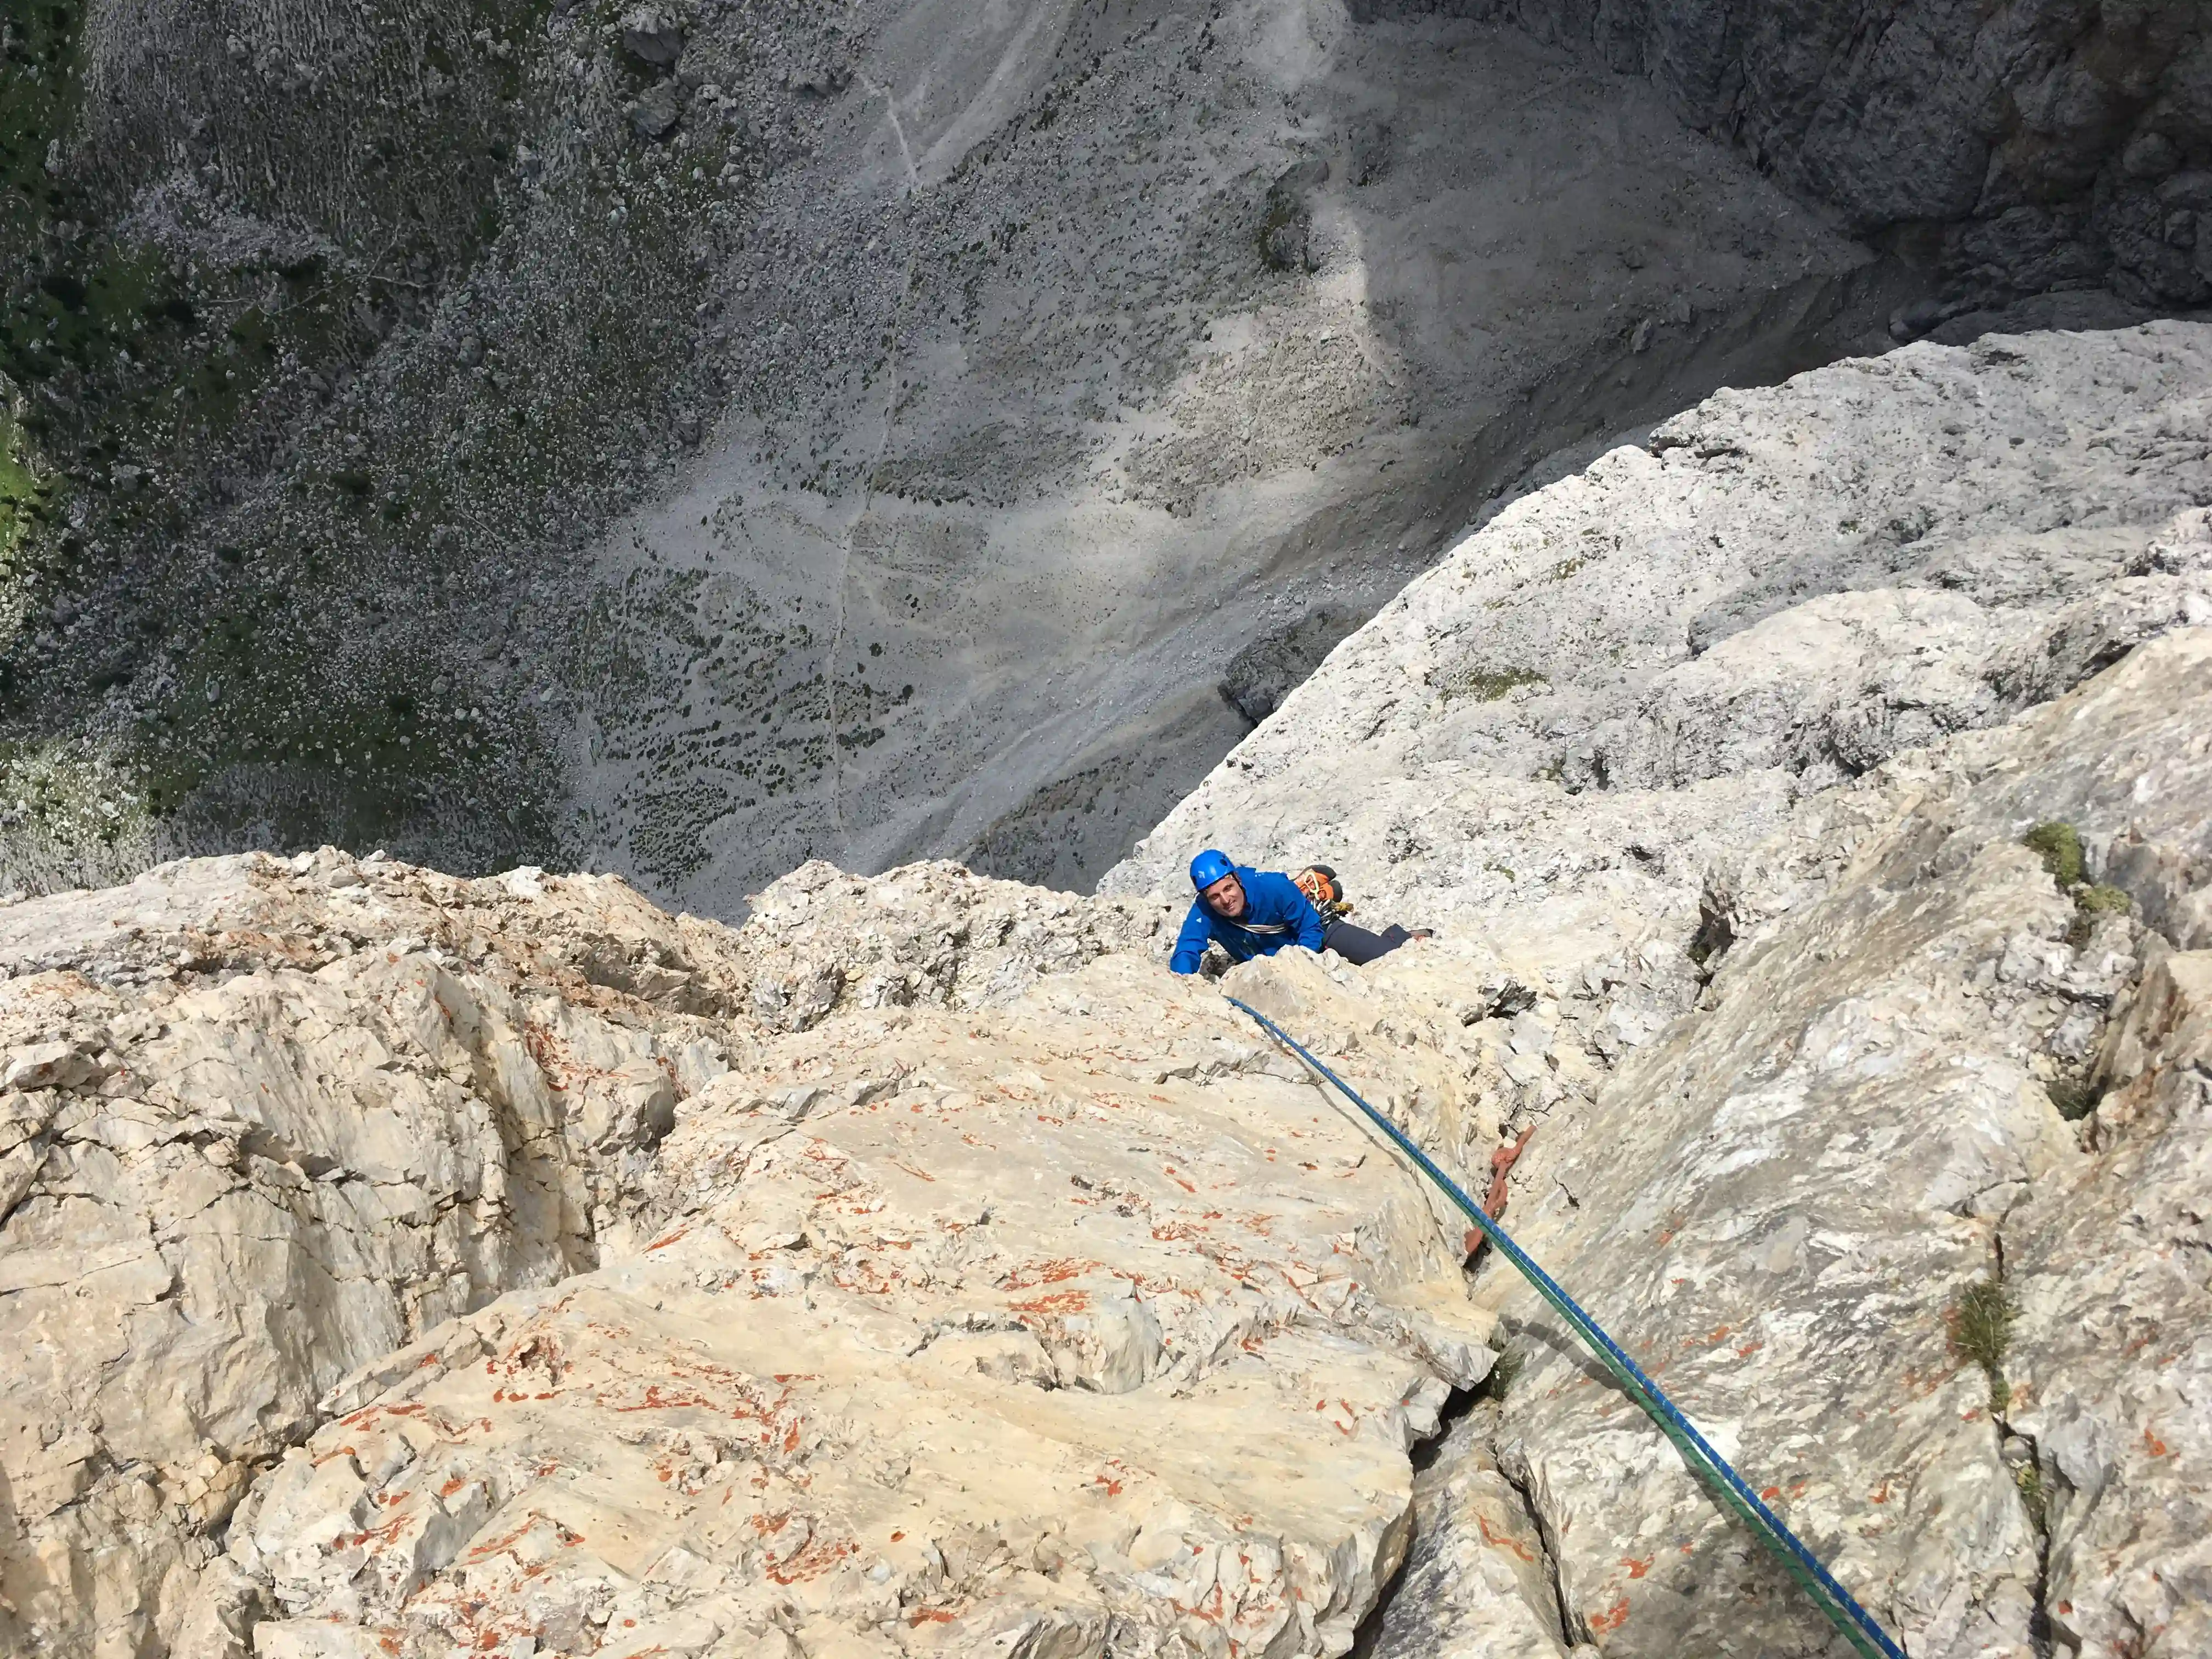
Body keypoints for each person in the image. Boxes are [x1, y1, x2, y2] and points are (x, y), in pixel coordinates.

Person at [1169, 849, 1429, 975]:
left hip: (1321, 935)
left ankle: (1399, 936)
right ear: (1206, 898)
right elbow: (1187, 950)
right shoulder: (1203, 911)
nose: (1226, 900)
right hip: (1272, 962)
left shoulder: (1272, 886)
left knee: (1388, 961)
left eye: (1229, 888)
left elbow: (1310, 927)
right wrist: (1182, 983)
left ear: (1237, 879)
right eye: (1215, 896)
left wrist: (1299, 964)